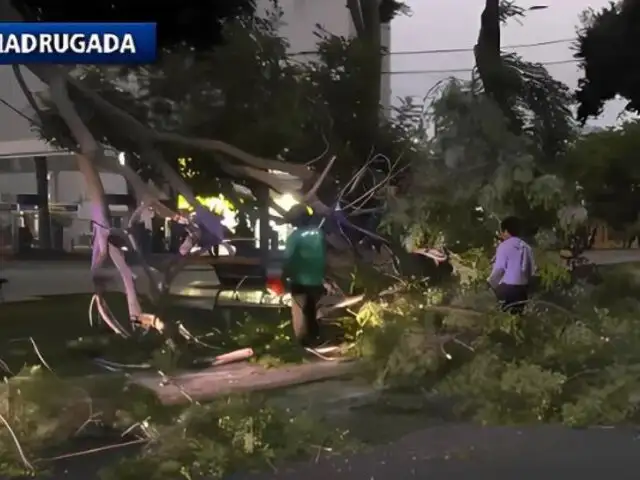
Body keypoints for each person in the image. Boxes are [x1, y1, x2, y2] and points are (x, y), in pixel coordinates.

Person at [282, 205, 326, 346]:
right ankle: (315, 336)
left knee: (300, 310)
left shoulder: (294, 237)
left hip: (300, 280)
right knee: (311, 308)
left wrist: (284, 276)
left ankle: (302, 341)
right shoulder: (319, 234)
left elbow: (288, 259)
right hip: (317, 278)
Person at [487, 216, 535, 314]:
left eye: (502, 232)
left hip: (508, 290)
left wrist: (490, 283)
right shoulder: (527, 247)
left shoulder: (504, 246)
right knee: (518, 314)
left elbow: (499, 270)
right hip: (523, 291)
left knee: (500, 309)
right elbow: (532, 271)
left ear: (506, 231)